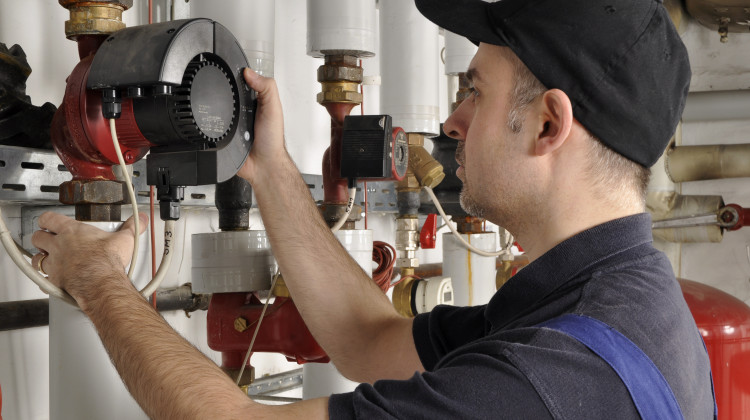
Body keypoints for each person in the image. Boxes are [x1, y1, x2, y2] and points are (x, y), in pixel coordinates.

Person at [30, 0, 715, 418]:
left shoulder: (548, 383)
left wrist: (97, 280)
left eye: (475, 91)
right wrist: (271, 169)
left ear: (547, 125)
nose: (451, 120)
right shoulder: (607, 300)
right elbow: (366, 340)